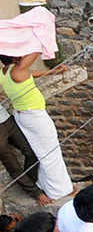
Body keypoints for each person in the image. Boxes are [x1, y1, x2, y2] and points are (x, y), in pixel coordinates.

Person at [0, 51, 74, 201]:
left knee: (38, 152)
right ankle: (59, 191)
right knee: (50, 153)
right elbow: (33, 51)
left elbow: (30, 73)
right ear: (15, 56)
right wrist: (40, 33)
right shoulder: (17, 70)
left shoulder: (5, 72)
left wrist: (52, 71)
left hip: (20, 116)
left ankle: (44, 185)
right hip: (33, 116)